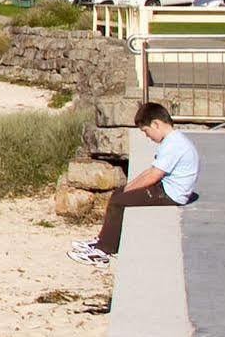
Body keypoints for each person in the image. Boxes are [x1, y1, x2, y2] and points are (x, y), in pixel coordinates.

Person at [70, 102, 199, 265]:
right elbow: (151, 170)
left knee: (119, 201)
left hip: (172, 194)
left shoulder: (174, 144)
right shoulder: (171, 141)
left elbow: (153, 176)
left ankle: (104, 251)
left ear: (156, 124)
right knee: (119, 193)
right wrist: (128, 187)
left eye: (146, 131)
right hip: (166, 188)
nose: (147, 136)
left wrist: (129, 191)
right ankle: (104, 239)